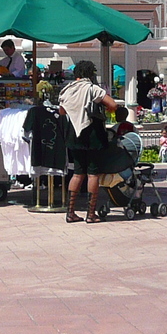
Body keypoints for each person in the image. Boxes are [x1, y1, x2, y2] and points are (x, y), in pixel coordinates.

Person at [59, 60, 118, 223]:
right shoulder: (92, 89)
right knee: (93, 174)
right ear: (90, 73)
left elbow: (62, 111)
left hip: (74, 134)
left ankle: (70, 212)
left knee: (78, 173)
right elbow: (112, 104)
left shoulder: (67, 89)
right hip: (92, 134)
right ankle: (91, 214)